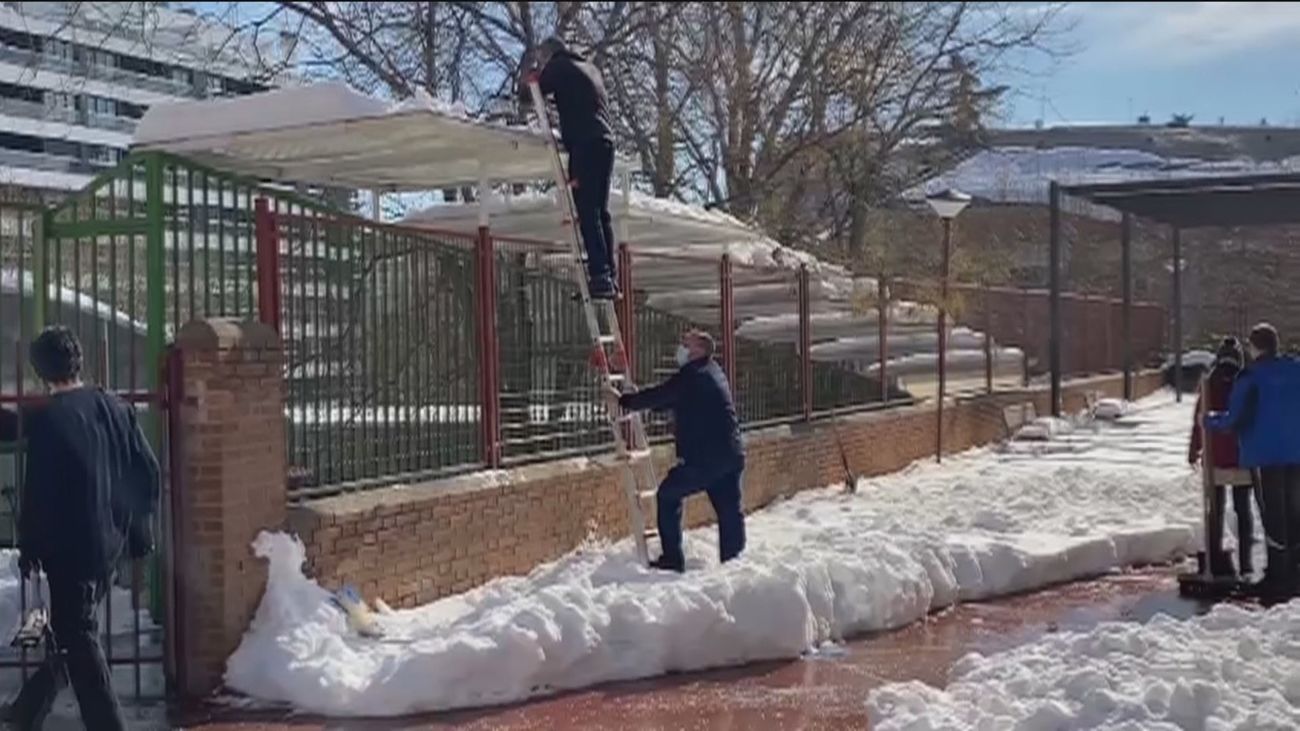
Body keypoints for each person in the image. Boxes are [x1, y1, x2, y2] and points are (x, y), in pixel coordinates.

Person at [8, 326, 160, 731]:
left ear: (40, 371)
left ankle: (107, 724)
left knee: (79, 637)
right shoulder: (116, 408)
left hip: (70, 551)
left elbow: (40, 490)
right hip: (109, 544)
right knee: (72, 632)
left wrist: (30, 546)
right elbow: (146, 472)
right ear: (79, 361)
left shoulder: (51, 419)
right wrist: (138, 533)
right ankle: (27, 711)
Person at [608, 331, 745, 572]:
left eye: (685, 344)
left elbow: (665, 394)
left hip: (705, 460)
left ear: (699, 350)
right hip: (730, 455)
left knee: (668, 495)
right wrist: (639, 400)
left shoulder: (693, 375)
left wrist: (626, 402)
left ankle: (672, 559)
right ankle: (735, 568)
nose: (680, 348)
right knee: (729, 512)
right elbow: (671, 400)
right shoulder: (712, 371)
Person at [1208, 323, 1300, 602]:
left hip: (1265, 455)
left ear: (1256, 347)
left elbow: (1235, 418)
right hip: (1296, 454)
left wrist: (1209, 419)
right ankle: (1295, 571)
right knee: (1294, 511)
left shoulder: (1251, 377)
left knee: (1273, 516)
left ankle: (1278, 577)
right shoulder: (1296, 369)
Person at [530, 36, 619, 300]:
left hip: (586, 143)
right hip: (606, 142)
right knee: (601, 212)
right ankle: (609, 275)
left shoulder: (558, 65)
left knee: (587, 210)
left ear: (550, 55)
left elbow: (533, 90)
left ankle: (600, 276)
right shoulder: (590, 69)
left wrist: (531, 75)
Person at [1188, 337, 1254, 577]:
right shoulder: (1246, 384)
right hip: (1242, 458)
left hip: (1214, 459)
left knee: (1215, 510)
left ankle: (1215, 558)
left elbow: (1199, 420)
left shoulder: (1209, 382)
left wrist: (1193, 450)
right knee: (1243, 510)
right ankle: (1246, 563)